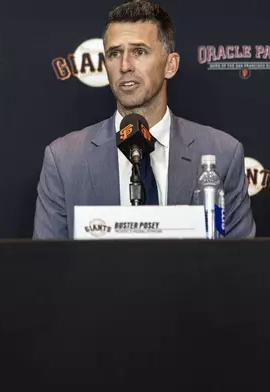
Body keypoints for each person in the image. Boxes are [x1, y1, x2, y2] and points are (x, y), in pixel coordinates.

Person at [33, 0, 255, 239]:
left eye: (139, 52)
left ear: (170, 65)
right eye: (114, 53)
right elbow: (47, 269)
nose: (125, 65)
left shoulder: (223, 154)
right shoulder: (64, 160)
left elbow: (239, 267)